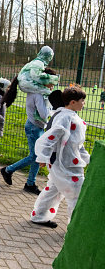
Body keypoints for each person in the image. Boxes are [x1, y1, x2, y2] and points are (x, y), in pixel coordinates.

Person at [30, 86, 89, 228]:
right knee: (77, 193)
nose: (84, 103)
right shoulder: (64, 117)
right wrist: (42, 157)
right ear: (73, 102)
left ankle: (40, 215)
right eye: (82, 100)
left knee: (53, 189)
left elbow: (77, 143)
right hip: (65, 163)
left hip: (67, 160)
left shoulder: (70, 116)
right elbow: (49, 138)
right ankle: (75, 227)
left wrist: (86, 158)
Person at [0, 68, 58, 195]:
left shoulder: (39, 92)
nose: (53, 85)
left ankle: (30, 183)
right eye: (52, 81)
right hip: (34, 127)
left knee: (38, 155)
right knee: (36, 156)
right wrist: (52, 111)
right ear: (45, 79)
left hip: (37, 127)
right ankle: (9, 170)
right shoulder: (38, 94)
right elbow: (43, 113)